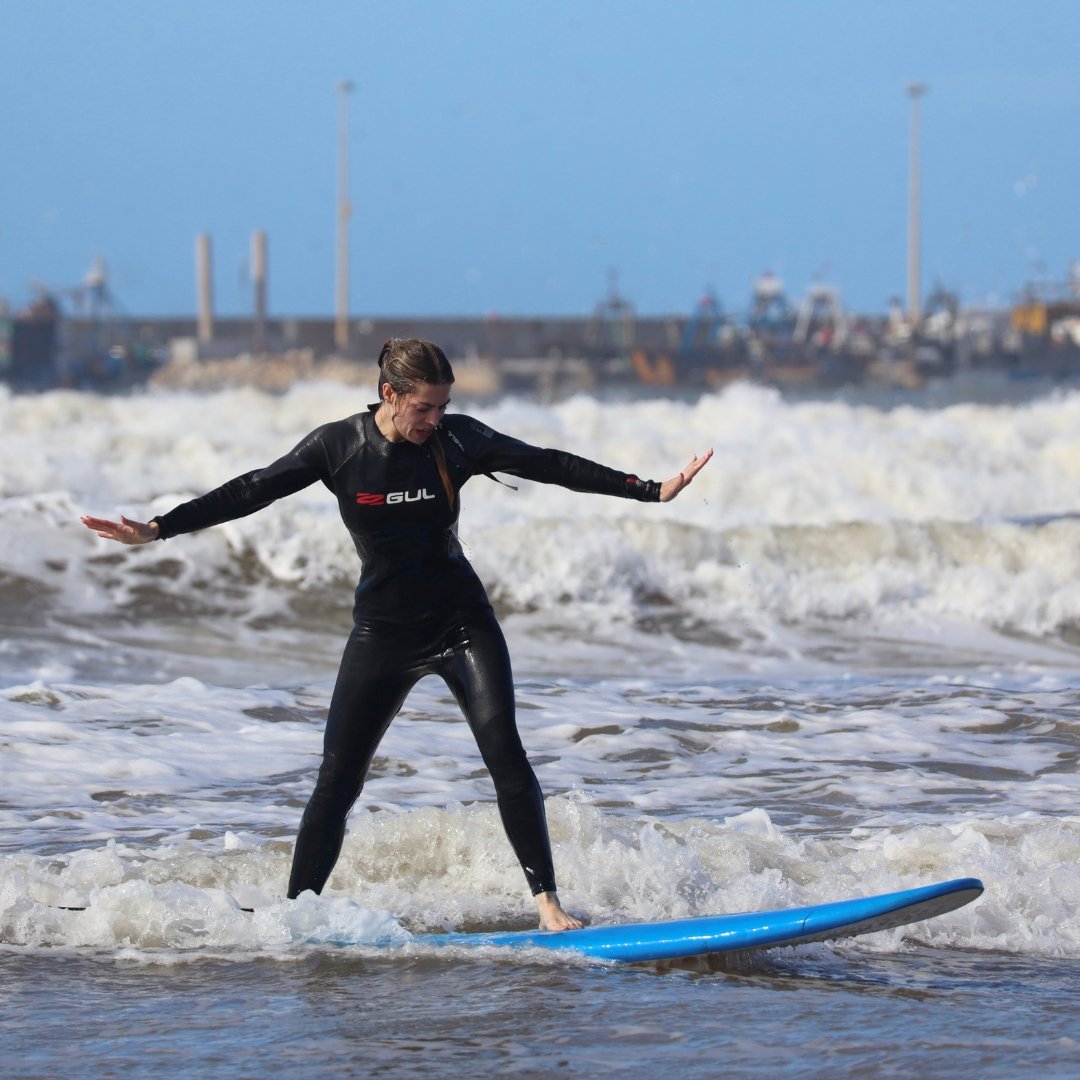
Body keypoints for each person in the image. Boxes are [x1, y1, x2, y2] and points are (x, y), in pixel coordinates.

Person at [81, 338, 712, 930]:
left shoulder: (459, 441)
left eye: (443, 406)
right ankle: (299, 915)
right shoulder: (338, 447)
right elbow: (253, 489)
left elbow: (548, 464)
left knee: (507, 758)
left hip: (462, 623)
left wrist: (649, 490)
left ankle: (546, 903)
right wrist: (160, 528)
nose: (435, 418)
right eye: (424, 407)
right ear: (389, 394)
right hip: (382, 632)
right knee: (337, 779)